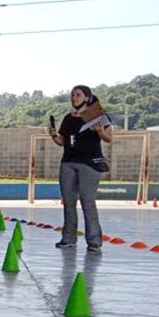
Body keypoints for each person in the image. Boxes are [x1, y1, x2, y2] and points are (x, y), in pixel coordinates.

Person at [50, 85, 112, 253]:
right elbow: (62, 141)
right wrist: (54, 135)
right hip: (68, 162)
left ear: (87, 97)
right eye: (72, 95)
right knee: (68, 202)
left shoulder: (97, 116)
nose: (74, 97)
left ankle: (94, 241)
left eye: (78, 95)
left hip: (90, 164)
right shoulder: (68, 119)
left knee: (87, 201)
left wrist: (100, 132)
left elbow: (109, 138)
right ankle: (68, 238)